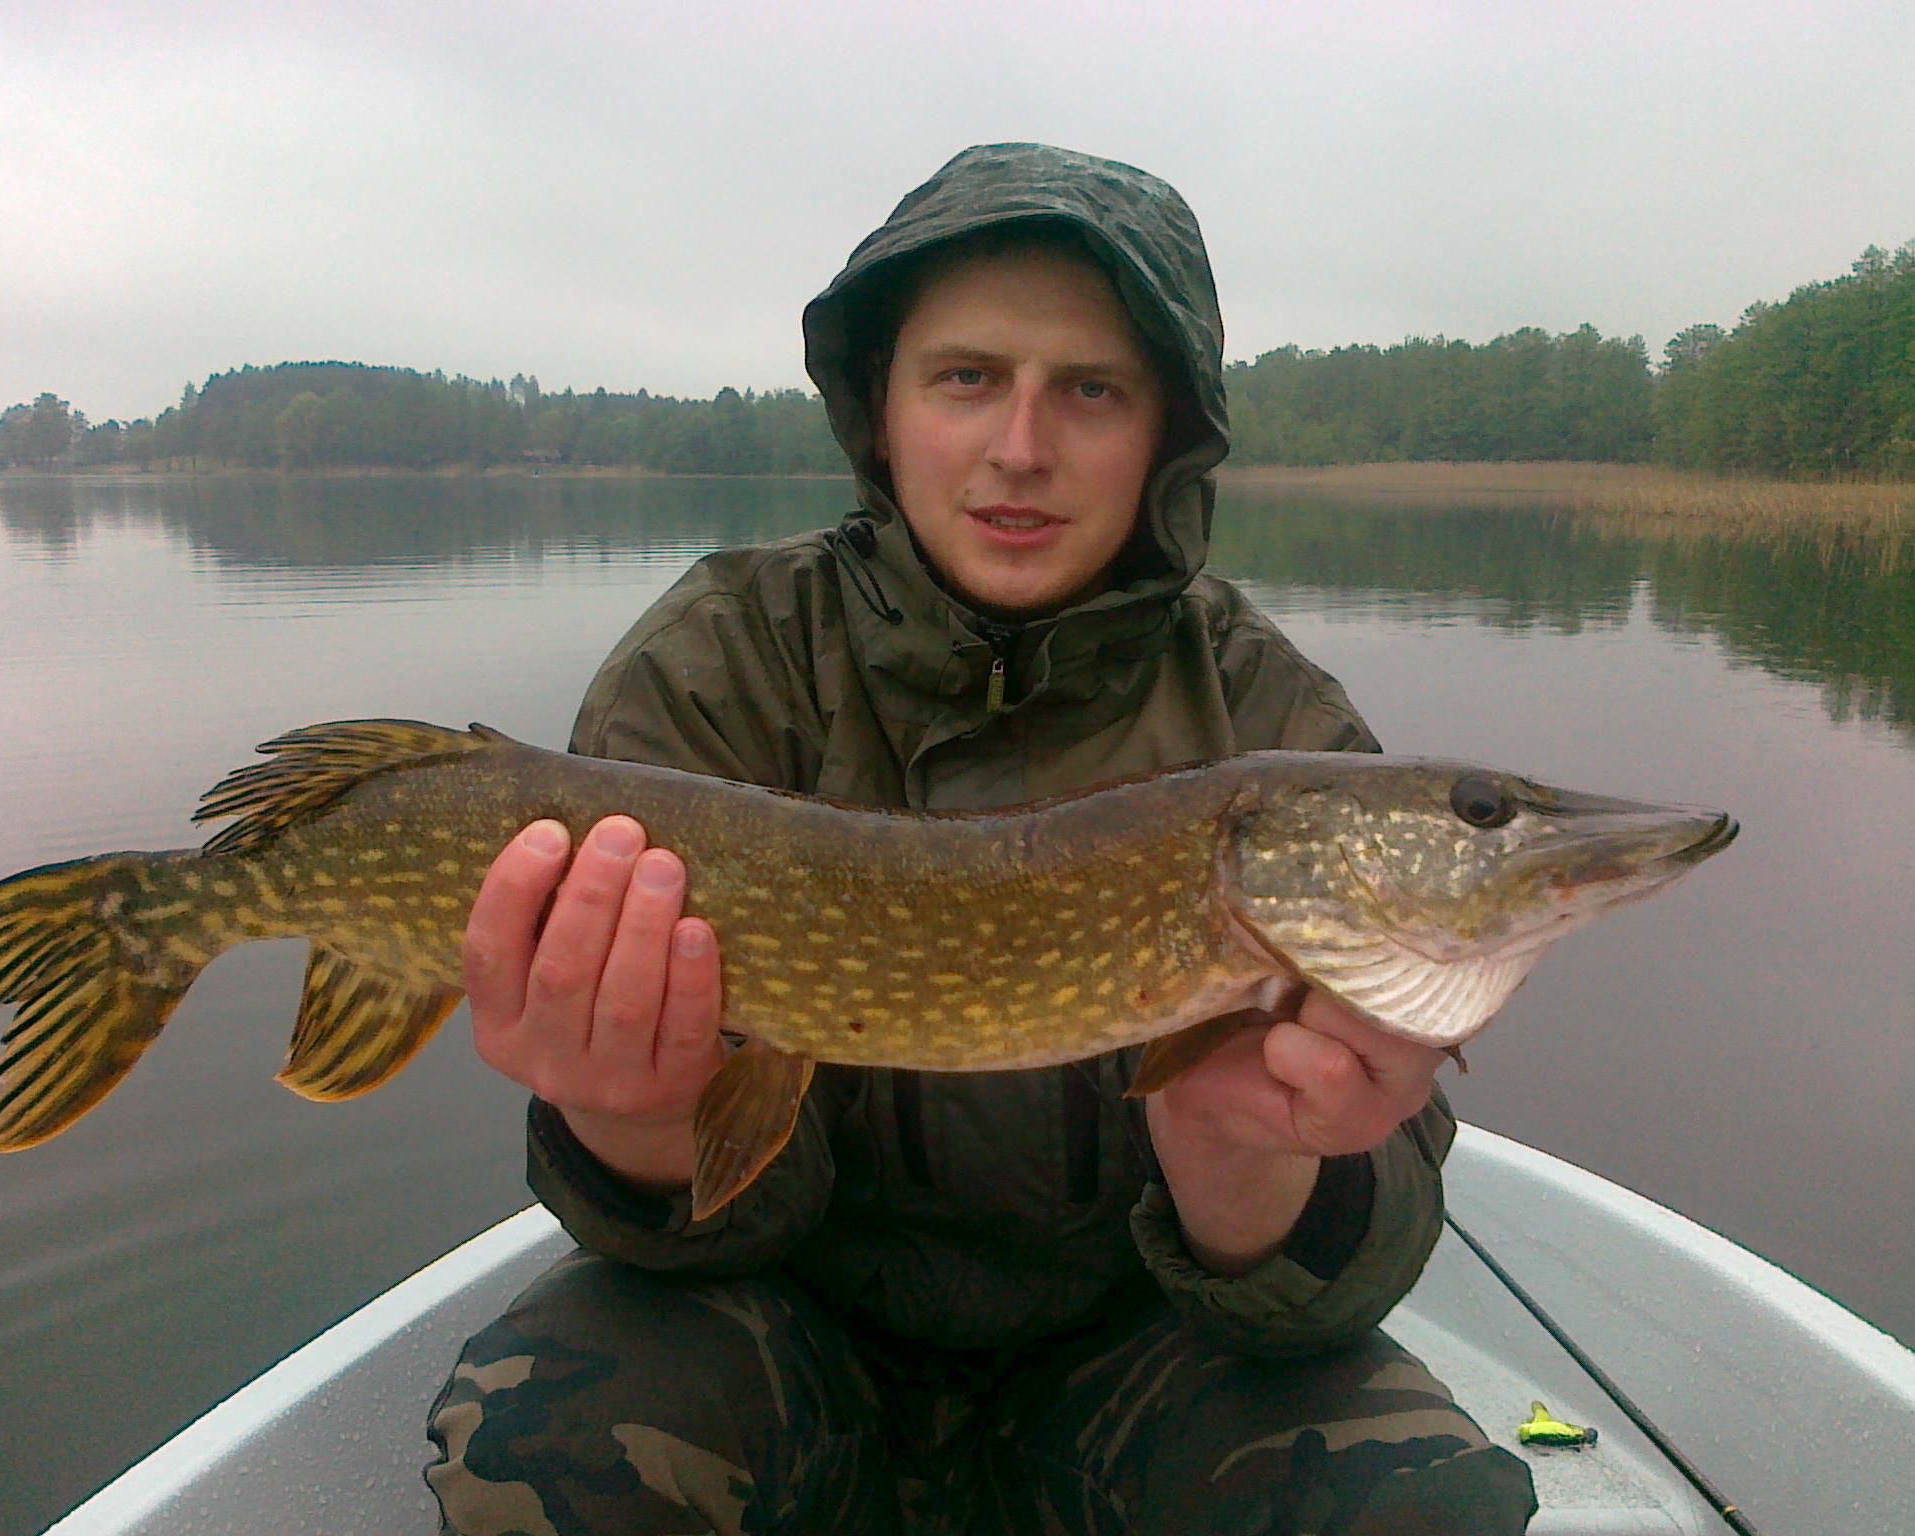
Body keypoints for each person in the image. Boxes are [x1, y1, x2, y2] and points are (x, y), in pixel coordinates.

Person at [426, 143, 1537, 1535]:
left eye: (1091, 389)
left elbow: (1324, 1298)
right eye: (966, 378)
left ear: (1167, 433)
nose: (1021, 445)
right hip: (784, 1329)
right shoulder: (720, 667)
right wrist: (633, 1123)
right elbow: (692, 1239)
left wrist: (1238, 1165)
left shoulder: (1274, 725)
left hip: (1130, 1355)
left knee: (1412, 1509)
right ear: (881, 410)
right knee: (544, 1457)